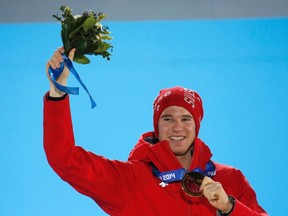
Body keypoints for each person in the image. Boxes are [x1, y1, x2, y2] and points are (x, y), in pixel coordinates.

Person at [44, 47, 268, 216]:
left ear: (196, 125)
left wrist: (229, 208)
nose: (177, 126)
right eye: (167, 118)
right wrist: (57, 93)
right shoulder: (130, 180)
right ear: (157, 127)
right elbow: (65, 159)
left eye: (186, 118)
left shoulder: (230, 179)